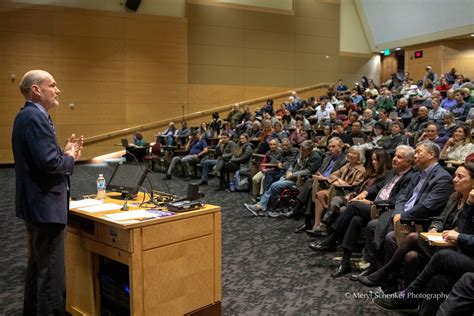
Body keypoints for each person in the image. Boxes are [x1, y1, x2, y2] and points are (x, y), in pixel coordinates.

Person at [12, 70, 84, 315]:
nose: (58, 90)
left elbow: (44, 159)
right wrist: (71, 157)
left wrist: (64, 153)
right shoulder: (35, 117)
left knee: (37, 269)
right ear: (36, 90)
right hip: (45, 209)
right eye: (52, 85)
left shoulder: (26, 116)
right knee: (51, 277)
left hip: (35, 206)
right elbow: (51, 164)